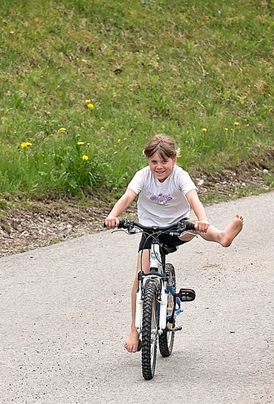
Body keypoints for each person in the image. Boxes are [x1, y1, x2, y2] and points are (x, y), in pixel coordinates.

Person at [104, 134, 244, 353]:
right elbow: (127, 197)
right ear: (147, 160)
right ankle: (134, 329)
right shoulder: (142, 176)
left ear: (174, 160)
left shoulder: (180, 176)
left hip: (175, 228)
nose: (159, 167)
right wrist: (113, 216)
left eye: (164, 161)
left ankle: (222, 237)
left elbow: (193, 199)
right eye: (154, 162)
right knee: (139, 278)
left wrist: (203, 220)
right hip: (149, 231)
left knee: (194, 224)